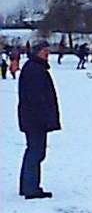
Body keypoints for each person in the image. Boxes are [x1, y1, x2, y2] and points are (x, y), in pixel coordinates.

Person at [17, 41, 60, 199]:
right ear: (36, 52)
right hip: (35, 119)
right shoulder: (35, 70)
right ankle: (31, 188)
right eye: (44, 51)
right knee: (36, 152)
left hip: (33, 118)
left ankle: (27, 186)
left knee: (34, 151)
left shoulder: (35, 67)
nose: (47, 53)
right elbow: (37, 98)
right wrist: (45, 118)